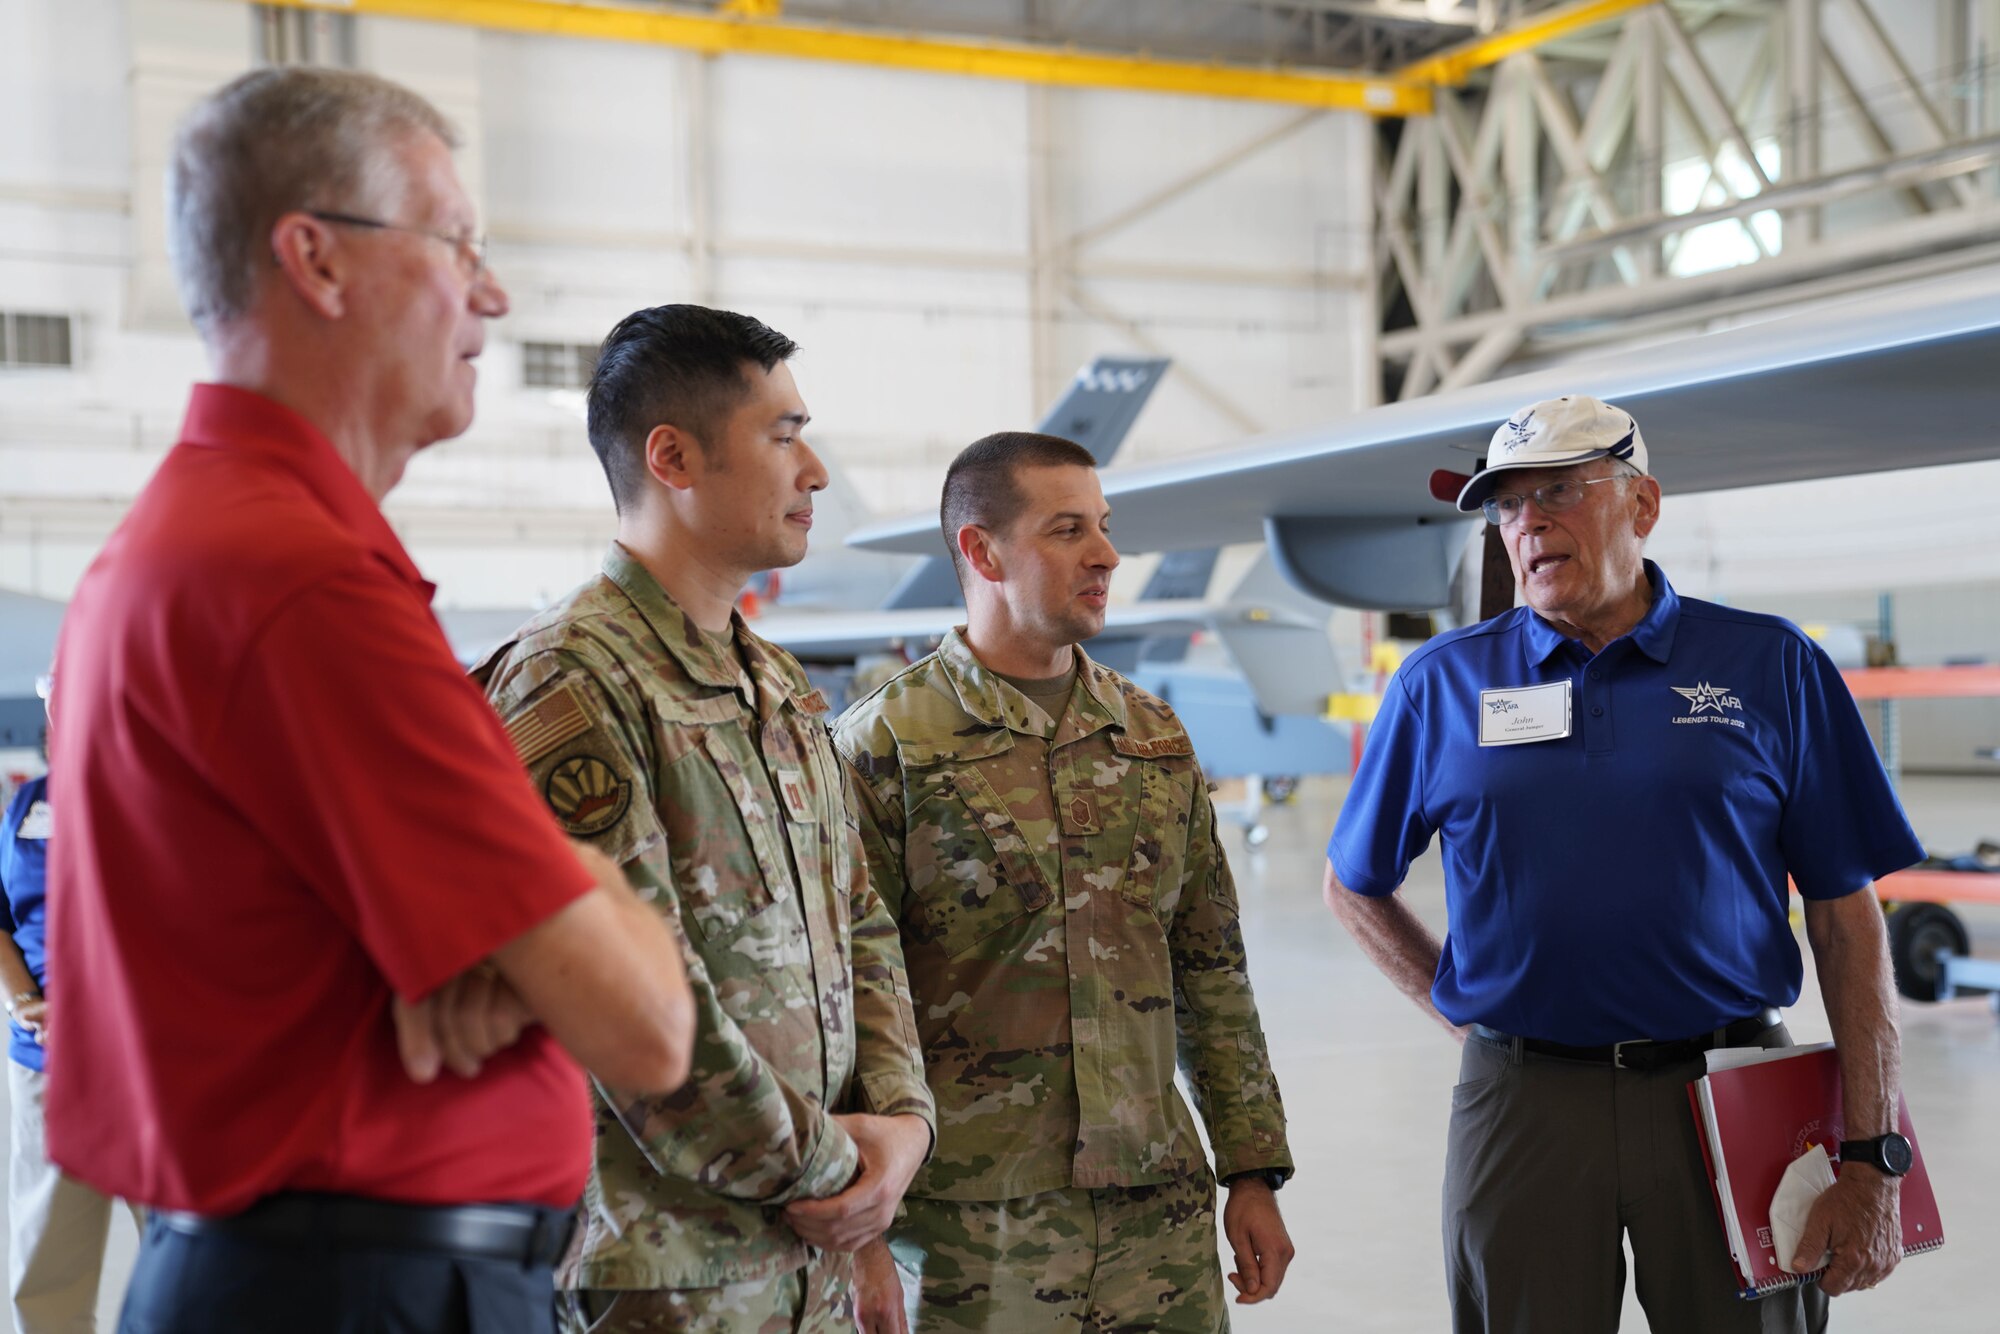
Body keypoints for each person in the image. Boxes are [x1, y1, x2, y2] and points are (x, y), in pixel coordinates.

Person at [46, 67, 696, 1334]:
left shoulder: (195, 543)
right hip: (357, 1286)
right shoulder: (298, 580)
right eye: (456, 241)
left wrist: (519, 922)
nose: (491, 292)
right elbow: (646, 1021)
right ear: (317, 261)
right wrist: (579, 899)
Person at [1324, 395, 1920, 1333]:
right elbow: (1354, 885)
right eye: (1506, 506)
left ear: (1642, 505)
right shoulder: (1443, 684)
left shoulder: (1770, 666)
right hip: (1523, 1104)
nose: (1528, 524)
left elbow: (1848, 917)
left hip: (1734, 1088)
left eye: (1558, 491)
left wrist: (1872, 1152)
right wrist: (1463, 1013)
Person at [475, 304, 936, 1334]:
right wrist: (838, 1169)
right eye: (783, 434)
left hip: (812, 1256)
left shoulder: (775, 683)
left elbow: (860, 922)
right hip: (668, 1276)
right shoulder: (571, 683)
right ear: (673, 457)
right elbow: (628, 1001)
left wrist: (901, 1129)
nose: (813, 470)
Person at [834, 432, 1296, 1333]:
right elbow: (846, 1004)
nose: (1107, 554)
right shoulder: (884, 747)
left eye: (1105, 526)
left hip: (1156, 1218)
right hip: (971, 1232)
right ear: (981, 549)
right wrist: (860, 1236)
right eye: (1067, 529)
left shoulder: (1151, 734)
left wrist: (1251, 1169)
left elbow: (1211, 967)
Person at [2, 708, 125, 1334]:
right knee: (48, 1266)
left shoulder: (164, 797)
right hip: (47, 1061)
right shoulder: (28, 806)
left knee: (191, 1256)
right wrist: (27, 1005)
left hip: (150, 1067)